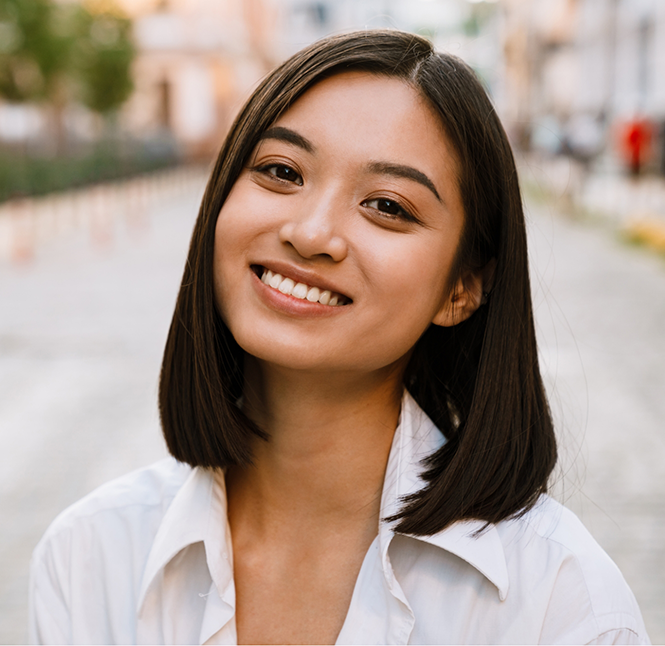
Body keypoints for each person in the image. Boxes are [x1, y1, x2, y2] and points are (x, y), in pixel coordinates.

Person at [29, 30, 649, 644]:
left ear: (461, 289)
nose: (311, 232)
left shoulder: (560, 604)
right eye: (280, 170)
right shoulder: (90, 560)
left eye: (386, 206)